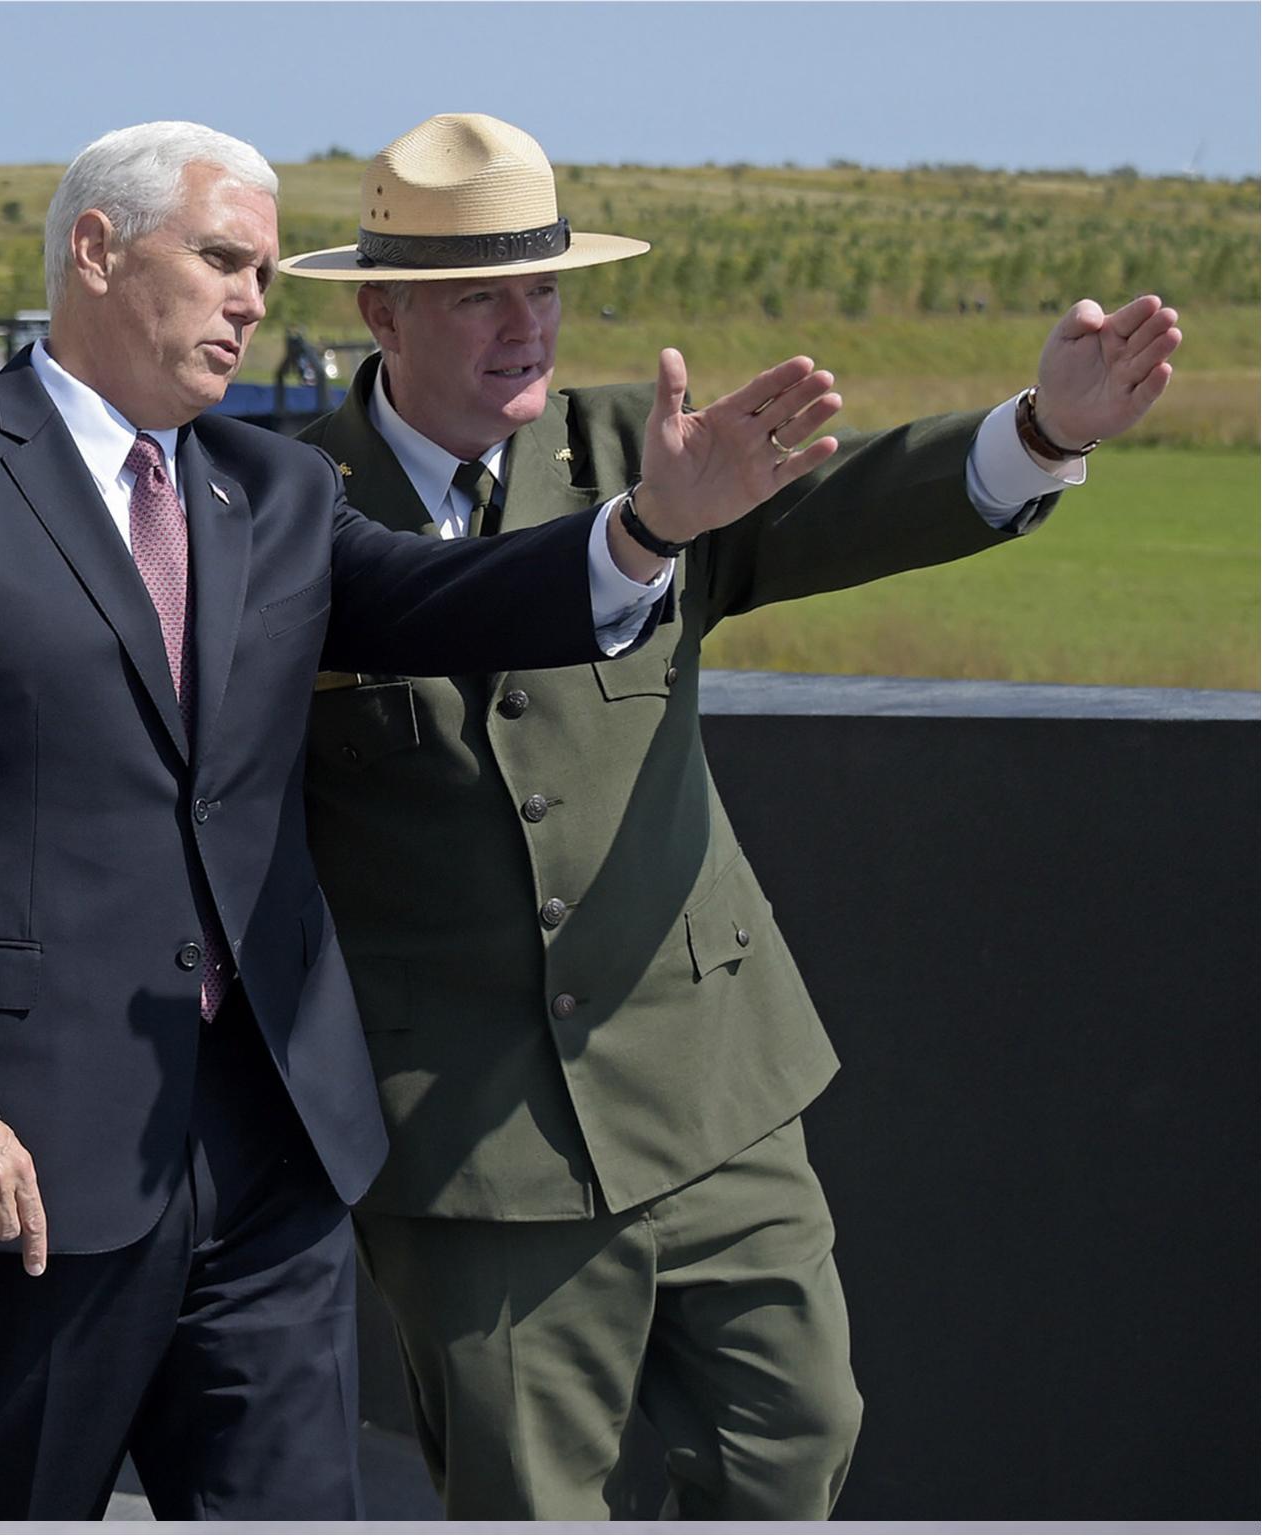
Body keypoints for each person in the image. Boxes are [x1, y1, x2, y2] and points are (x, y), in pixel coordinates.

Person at [0, 119, 852, 1520]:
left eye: (266, 274)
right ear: (96, 249)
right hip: (25, 1170)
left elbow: (445, 604)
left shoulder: (272, 486)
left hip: (272, 1158)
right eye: (223, 260)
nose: (253, 300)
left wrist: (644, 528)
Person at [279, 113, 1184, 1520]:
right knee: (525, 1499)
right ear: (382, 308)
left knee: (796, 1440)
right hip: (467, 1145)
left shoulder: (642, 450)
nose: (527, 328)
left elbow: (849, 509)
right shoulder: (282, 509)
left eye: (546, 287)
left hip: (711, 1089)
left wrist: (1040, 430)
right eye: (481, 296)